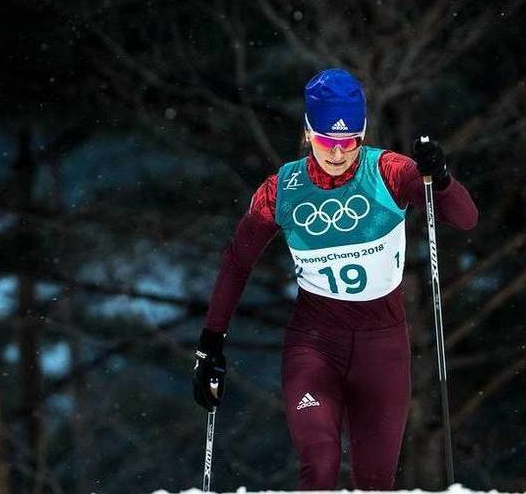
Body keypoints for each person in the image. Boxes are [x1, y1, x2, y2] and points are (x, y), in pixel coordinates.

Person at [191, 67, 478, 490]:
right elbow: (238, 262)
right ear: (308, 132)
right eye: (327, 140)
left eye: (349, 141)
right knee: (320, 466)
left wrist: (444, 179)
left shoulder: (390, 172)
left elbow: (465, 219)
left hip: (383, 347)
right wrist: (210, 342)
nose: (339, 153)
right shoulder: (281, 190)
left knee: (375, 482)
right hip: (315, 344)